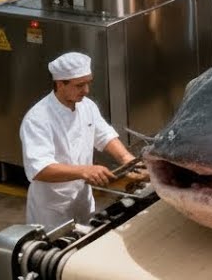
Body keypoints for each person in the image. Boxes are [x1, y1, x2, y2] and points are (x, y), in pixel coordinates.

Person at [20, 52, 137, 228]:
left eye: (88, 83)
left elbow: (104, 135)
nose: (86, 90)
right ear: (60, 84)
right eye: (79, 85)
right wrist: (84, 171)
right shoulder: (37, 119)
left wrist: (128, 160)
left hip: (82, 201)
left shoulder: (86, 106)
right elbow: (40, 169)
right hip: (52, 209)